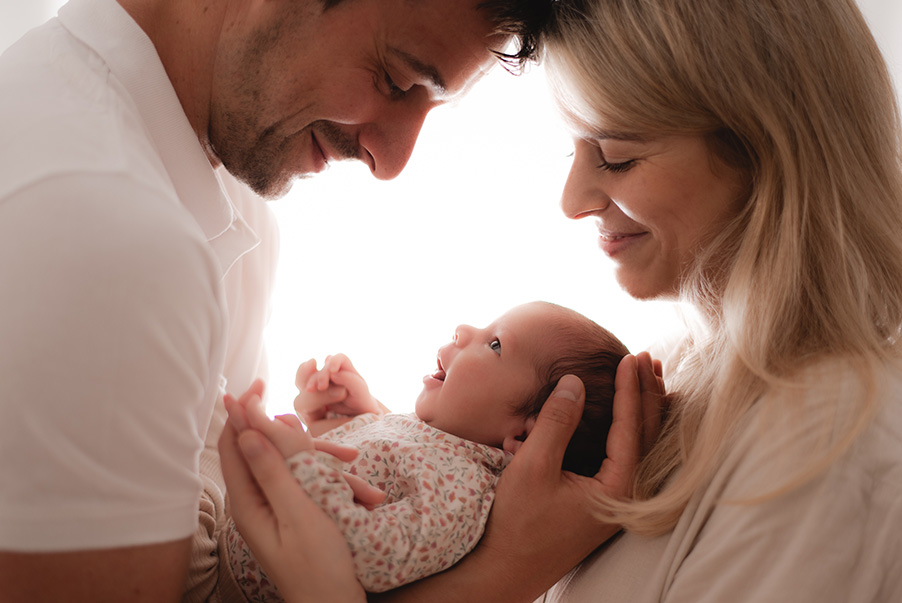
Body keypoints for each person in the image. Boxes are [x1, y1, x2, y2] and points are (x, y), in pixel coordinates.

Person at [220, 0, 902, 601]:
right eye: (578, 149)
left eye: (617, 155)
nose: (573, 201)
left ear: (766, 148)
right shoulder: (679, 383)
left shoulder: (829, 437)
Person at [0, 0, 562, 601]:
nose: (391, 162)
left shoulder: (233, 218)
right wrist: (506, 572)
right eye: (395, 79)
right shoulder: (116, 245)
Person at [223, 301, 629, 599]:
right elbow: (373, 481)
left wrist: (304, 469)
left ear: (525, 437)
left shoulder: (463, 492)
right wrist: (353, 419)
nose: (463, 329)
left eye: (495, 345)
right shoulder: (435, 437)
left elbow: (369, 556)